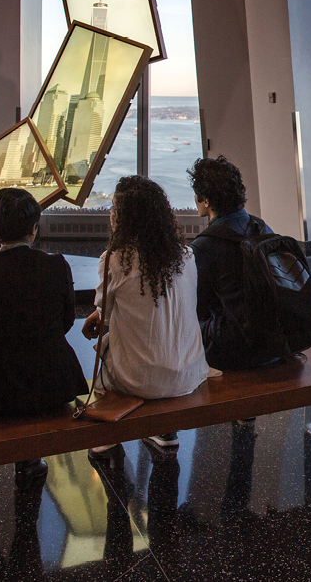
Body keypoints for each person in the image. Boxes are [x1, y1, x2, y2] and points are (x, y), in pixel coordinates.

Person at [0, 188, 88, 484]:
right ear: (34, 228)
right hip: (54, 381)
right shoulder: (56, 266)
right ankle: (31, 460)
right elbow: (66, 320)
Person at [81, 176, 211, 459]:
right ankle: (165, 431)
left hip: (138, 380)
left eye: (115, 209)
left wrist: (96, 317)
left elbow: (106, 312)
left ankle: (107, 440)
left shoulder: (114, 259)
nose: (111, 214)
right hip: (189, 372)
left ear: (126, 218)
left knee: (105, 350)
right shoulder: (186, 255)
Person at [188, 155, 281, 370]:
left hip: (236, 350)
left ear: (207, 200)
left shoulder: (204, 246)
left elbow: (194, 303)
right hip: (275, 342)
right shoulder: (262, 227)